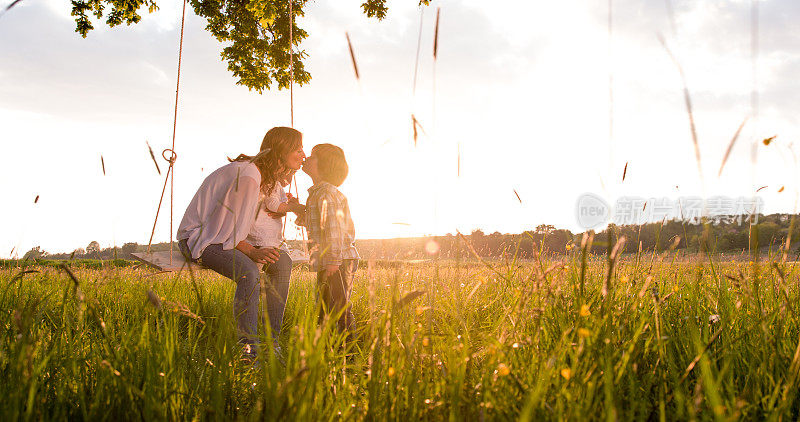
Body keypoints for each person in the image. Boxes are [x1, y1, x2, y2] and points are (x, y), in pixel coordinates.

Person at [176, 127, 305, 358]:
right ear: (282, 149)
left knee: (282, 262)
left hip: (224, 237)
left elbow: (255, 217)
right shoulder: (248, 176)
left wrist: (292, 209)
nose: (303, 154)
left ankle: (270, 343)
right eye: (297, 148)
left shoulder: (262, 176)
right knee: (249, 273)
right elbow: (225, 230)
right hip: (200, 238)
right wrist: (252, 252)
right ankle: (248, 349)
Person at [300, 143, 359, 334]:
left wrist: (333, 261)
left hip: (337, 260)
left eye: (312, 156)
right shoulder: (317, 192)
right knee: (325, 305)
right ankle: (328, 346)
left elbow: (334, 228)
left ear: (324, 166)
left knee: (340, 306)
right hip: (329, 260)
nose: (306, 158)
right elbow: (317, 223)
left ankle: (349, 351)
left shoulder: (326, 193)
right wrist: (296, 208)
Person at [245, 169, 304, 348]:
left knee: (256, 282)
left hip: (267, 240)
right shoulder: (270, 183)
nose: (290, 178)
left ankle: (266, 340)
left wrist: (288, 205)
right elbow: (272, 205)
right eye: (289, 173)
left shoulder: (275, 184)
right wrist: (293, 207)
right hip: (259, 240)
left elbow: (277, 206)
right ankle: (255, 341)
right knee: (252, 283)